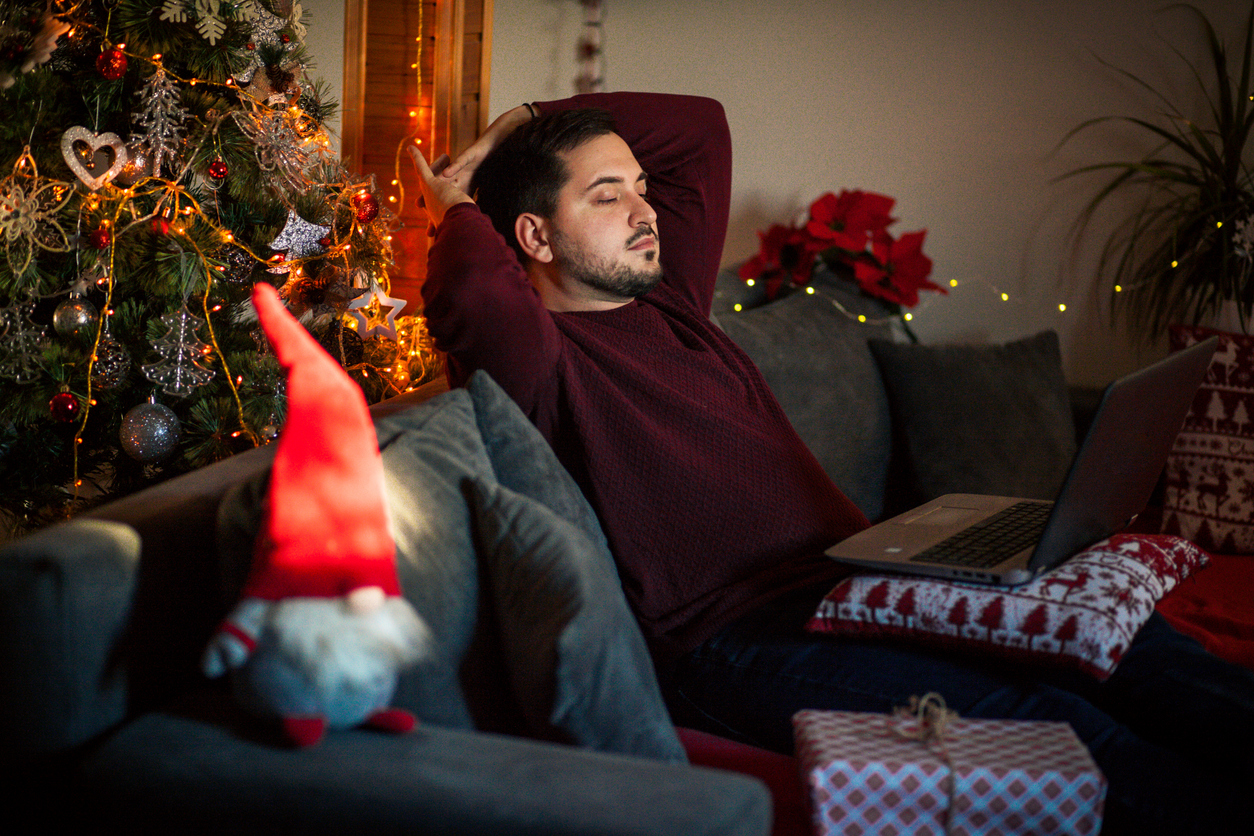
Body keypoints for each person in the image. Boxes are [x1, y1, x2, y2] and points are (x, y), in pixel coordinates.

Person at [410, 92, 1254, 835]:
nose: (646, 208)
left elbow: (697, 128)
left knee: (1135, 653)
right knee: (1052, 723)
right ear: (532, 235)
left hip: (857, 582)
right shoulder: (541, 359)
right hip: (733, 638)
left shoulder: (670, 302)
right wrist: (456, 202)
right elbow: (477, 291)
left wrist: (523, 120)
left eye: (638, 185)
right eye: (607, 194)